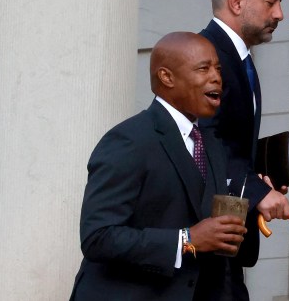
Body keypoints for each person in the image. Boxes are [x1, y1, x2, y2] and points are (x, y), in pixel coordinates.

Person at [69, 32, 247, 301]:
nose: (216, 78)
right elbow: (98, 236)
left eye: (218, 69)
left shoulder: (211, 143)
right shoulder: (129, 139)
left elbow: (210, 241)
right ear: (167, 77)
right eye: (203, 68)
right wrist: (185, 240)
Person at [199, 0, 289, 300]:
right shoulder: (205, 55)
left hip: (226, 241)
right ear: (237, 3)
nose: (279, 14)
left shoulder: (238, 58)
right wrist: (255, 189)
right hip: (202, 244)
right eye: (271, 2)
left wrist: (262, 175)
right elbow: (202, 140)